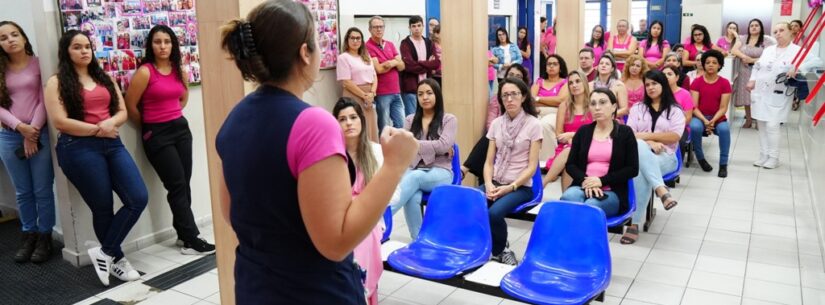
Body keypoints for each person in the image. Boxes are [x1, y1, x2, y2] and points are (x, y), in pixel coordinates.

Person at [216, 1, 418, 303]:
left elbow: (231, 213)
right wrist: (393, 166)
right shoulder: (314, 123)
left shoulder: (235, 117)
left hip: (254, 286)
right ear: (304, 53)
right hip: (313, 291)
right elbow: (336, 242)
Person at [44, 30, 147, 285]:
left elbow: (122, 110)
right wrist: (99, 129)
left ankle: (105, 252)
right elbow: (60, 121)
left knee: (137, 198)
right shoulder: (56, 82)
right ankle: (118, 260)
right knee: (102, 207)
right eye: (77, 47)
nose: (84, 51)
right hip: (78, 147)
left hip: (112, 143)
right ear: (66, 52)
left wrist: (108, 124)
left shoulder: (105, 78)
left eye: (87, 46)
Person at [123, 25, 215, 256]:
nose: (162, 46)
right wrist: (150, 124)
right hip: (157, 133)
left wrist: (172, 114)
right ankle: (192, 238)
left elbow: (182, 98)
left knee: (184, 181)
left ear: (173, 44)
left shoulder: (178, 70)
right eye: (157, 42)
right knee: (176, 185)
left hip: (180, 129)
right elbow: (131, 106)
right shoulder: (145, 72)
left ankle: (184, 234)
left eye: (167, 41)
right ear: (150, 45)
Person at [0, 21, 56, 264]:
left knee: (42, 190)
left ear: (24, 37)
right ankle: (28, 234)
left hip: (39, 134)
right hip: (9, 135)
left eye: (14, 34)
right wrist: (20, 128)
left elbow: (46, 98)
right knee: (23, 192)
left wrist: (32, 130)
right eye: (3, 37)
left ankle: (45, 237)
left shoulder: (40, 63)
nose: (10, 40)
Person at [482, 77, 542, 265]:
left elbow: (532, 167)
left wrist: (511, 187)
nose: (509, 99)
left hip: (520, 186)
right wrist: (489, 184)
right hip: (496, 181)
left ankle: (502, 250)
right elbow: (489, 162)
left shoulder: (534, 125)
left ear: (523, 96)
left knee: (493, 213)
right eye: (505, 95)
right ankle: (484, 245)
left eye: (514, 94)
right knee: (471, 204)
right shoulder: (496, 124)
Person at [622, 70, 684, 244]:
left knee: (640, 169)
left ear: (663, 85)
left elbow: (675, 136)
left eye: (654, 83)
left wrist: (646, 137)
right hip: (642, 154)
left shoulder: (675, 110)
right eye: (647, 84)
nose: (650, 87)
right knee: (641, 163)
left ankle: (634, 223)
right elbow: (629, 134)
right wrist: (649, 143)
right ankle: (661, 190)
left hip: (666, 156)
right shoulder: (637, 108)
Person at [389, 79, 456, 240]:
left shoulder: (449, 119)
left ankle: (380, 215)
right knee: (412, 196)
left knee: (414, 177)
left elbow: (444, 144)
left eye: (429, 93)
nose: (424, 97)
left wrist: (414, 144)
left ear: (437, 95)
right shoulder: (410, 120)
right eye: (420, 94)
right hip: (415, 169)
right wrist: (436, 147)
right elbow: (404, 147)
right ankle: (418, 240)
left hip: (441, 171)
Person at [333, 98, 384, 305]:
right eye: (342, 119)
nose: (349, 123)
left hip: (367, 217)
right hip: (338, 216)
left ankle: (360, 289)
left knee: (361, 239)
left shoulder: (375, 152)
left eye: (353, 117)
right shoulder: (332, 154)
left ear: (362, 121)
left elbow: (390, 193)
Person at [561, 88, 638, 217]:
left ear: (614, 107)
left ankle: (583, 237)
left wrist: (601, 181)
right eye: (593, 104)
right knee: (568, 198)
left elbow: (632, 169)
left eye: (602, 102)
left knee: (591, 206)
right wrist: (587, 182)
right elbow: (570, 165)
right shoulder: (583, 132)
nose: (597, 107)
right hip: (582, 185)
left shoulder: (625, 133)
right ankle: (572, 236)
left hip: (612, 190)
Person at [462, 64, 531, 181]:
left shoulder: (526, 101)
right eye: (511, 75)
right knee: (490, 136)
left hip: (520, 138)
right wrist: (502, 131)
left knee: (490, 137)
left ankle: (465, 168)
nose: (514, 78)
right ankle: (476, 176)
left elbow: (529, 126)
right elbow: (490, 123)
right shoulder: (496, 99)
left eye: (518, 76)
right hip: (499, 134)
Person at [748, 22, 802, 169]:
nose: (778, 33)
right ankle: (763, 155)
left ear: (791, 32)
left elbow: (813, 63)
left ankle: (774, 157)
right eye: (775, 31)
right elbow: (758, 66)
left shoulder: (798, 51)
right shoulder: (769, 50)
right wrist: (752, 80)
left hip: (779, 93)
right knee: (762, 124)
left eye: (782, 30)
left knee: (772, 125)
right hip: (760, 91)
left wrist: (796, 68)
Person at [542, 70, 593, 190]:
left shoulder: (593, 105)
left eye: (577, 81)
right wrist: (571, 140)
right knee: (570, 160)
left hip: (589, 146)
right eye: (570, 83)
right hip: (567, 146)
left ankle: (544, 183)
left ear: (584, 83)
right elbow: (559, 134)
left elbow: (596, 131)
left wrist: (573, 135)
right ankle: (566, 198)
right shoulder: (564, 106)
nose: (574, 85)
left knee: (570, 152)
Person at [689, 49, 732, 177]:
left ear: (719, 65)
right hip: (699, 116)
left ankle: (723, 164)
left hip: (717, 117)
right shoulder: (697, 82)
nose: (711, 64)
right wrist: (705, 120)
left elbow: (724, 107)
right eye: (707, 62)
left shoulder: (724, 83)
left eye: (714, 62)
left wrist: (712, 121)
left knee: (724, 130)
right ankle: (701, 159)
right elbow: (694, 107)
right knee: (695, 127)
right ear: (703, 64)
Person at [336, 27, 379, 141]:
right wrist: (364, 95)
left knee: (370, 125)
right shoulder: (343, 58)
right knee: (357, 126)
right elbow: (346, 82)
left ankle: (371, 154)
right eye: (352, 38)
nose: (355, 41)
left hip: (369, 97)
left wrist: (372, 93)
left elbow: (374, 77)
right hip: (354, 96)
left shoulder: (366, 56)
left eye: (358, 38)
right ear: (347, 40)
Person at [732, 19, 774, 129]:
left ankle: (759, 121)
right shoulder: (743, 38)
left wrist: (752, 60)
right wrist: (745, 57)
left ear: (761, 27)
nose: (754, 27)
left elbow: (770, 57)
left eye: (756, 25)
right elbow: (734, 50)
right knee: (746, 96)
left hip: (760, 71)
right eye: (752, 25)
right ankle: (749, 120)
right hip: (744, 70)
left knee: (759, 96)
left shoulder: (767, 40)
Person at [366, 16, 406, 132]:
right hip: (382, 93)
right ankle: (384, 149)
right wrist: (395, 61)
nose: (379, 29)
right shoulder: (367, 46)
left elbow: (402, 66)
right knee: (384, 126)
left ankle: (397, 148)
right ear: (370, 29)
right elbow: (378, 69)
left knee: (401, 124)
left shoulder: (390, 44)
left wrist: (390, 63)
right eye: (375, 27)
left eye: (381, 27)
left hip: (396, 91)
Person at [400, 15, 440, 117]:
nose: (416, 28)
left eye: (419, 25)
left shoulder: (429, 43)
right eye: (413, 26)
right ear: (409, 28)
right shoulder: (405, 43)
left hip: (427, 86)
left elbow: (436, 63)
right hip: (411, 88)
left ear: (423, 26)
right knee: (412, 118)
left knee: (428, 117)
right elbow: (409, 65)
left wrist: (418, 63)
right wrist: (427, 64)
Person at [532, 54, 568, 164]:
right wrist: (549, 101)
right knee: (533, 125)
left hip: (556, 113)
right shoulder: (539, 81)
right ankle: (532, 161)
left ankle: (548, 161)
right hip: (536, 112)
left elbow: (561, 100)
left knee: (544, 125)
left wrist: (539, 99)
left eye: (555, 64)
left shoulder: (565, 82)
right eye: (549, 64)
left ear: (560, 67)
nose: (551, 66)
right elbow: (531, 99)